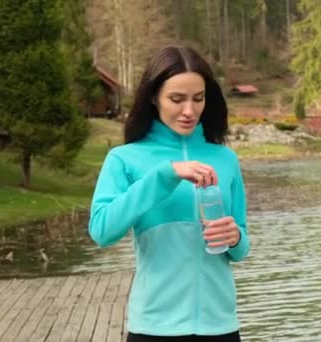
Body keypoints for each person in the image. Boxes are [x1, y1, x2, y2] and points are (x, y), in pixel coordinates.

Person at [88, 46, 250, 342]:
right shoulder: (124, 159)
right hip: (154, 328)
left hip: (221, 327)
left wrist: (235, 237)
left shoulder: (225, 159)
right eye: (177, 99)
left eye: (198, 99)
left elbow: (241, 245)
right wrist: (165, 175)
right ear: (153, 97)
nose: (189, 111)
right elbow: (102, 230)